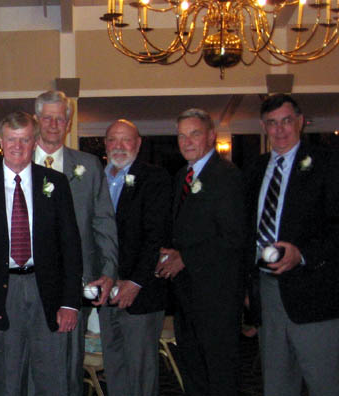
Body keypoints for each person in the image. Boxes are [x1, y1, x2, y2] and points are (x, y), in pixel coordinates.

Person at [0, 111, 83, 396]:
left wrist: (70, 302)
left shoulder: (55, 181)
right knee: (7, 381)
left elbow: (70, 244)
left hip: (48, 292)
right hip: (0, 294)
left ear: (35, 142)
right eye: (12, 140)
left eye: (25, 140)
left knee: (53, 380)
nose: (18, 146)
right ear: (1, 141)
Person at [244, 94, 339, 396]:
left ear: (300, 122)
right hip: (266, 291)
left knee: (323, 383)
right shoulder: (255, 169)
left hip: (314, 294)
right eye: (272, 123)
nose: (280, 129)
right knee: (276, 384)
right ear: (264, 127)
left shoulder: (327, 163)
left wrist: (302, 255)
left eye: (286, 121)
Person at [155, 108, 246, 396]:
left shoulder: (226, 175)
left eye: (194, 134)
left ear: (210, 136)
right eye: (181, 135)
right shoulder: (184, 173)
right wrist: (171, 251)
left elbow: (233, 236)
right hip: (188, 294)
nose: (187, 141)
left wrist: (185, 257)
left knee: (220, 373)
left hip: (217, 295)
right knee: (193, 371)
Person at [33, 90, 118, 395]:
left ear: (68, 123)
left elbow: (103, 221)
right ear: (37, 121)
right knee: (32, 364)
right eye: (48, 117)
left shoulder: (89, 165)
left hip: (76, 280)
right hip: (27, 283)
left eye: (60, 118)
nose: (54, 124)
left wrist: (108, 270)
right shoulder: (19, 162)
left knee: (69, 366)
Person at [99, 119, 170, 396]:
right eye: (112, 140)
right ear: (105, 145)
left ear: (138, 144)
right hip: (106, 290)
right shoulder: (96, 178)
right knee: (114, 366)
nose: (118, 146)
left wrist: (135, 283)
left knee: (140, 373)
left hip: (140, 294)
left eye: (125, 139)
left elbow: (156, 237)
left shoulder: (154, 178)